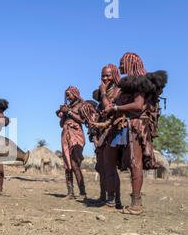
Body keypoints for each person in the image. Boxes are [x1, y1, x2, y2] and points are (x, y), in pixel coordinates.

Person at [102, 53, 167, 215]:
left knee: (135, 162)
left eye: (122, 64)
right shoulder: (128, 84)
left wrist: (116, 108)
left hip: (136, 125)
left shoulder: (138, 82)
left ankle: (136, 205)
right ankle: (114, 202)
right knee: (125, 161)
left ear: (131, 64)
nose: (121, 67)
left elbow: (138, 106)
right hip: (125, 125)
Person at [89, 64, 122, 209]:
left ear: (114, 75)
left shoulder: (118, 91)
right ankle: (104, 197)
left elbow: (109, 109)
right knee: (101, 167)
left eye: (108, 75)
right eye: (103, 75)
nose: (105, 78)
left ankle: (114, 200)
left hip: (112, 132)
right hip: (101, 133)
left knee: (110, 168)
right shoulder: (107, 90)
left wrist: (102, 93)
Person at [56, 86, 87, 201]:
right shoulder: (67, 107)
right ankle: (70, 193)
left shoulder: (82, 106)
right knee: (67, 164)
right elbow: (61, 124)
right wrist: (63, 114)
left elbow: (84, 120)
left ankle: (83, 193)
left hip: (76, 135)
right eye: (66, 95)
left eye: (69, 95)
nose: (68, 98)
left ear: (75, 94)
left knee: (75, 164)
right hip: (65, 135)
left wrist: (69, 112)